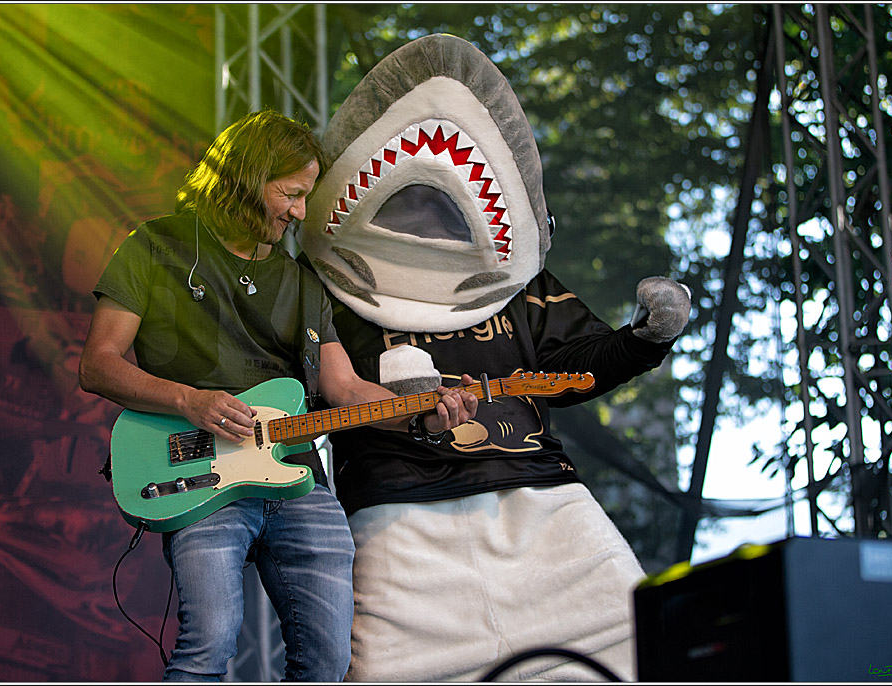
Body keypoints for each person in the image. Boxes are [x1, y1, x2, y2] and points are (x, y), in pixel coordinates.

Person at [297, 35, 691, 681]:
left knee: (635, 658)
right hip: (397, 514)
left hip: (544, 504)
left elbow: (571, 371)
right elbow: (292, 391)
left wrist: (643, 338)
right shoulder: (313, 291)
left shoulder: (525, 287)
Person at [78, 109, 478, 682]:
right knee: (207, 649)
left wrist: (425, 415)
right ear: (245, 177)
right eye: (290, 193)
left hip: (297, 479)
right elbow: (97, 365)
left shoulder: (301, 281)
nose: (298, 212)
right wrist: (190, 400)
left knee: (327, 663)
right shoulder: (156, 247)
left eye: (305, 197)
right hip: (198, 473)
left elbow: (344, 390)